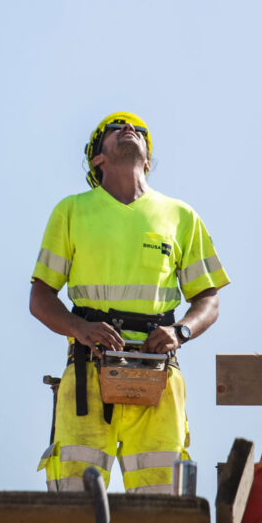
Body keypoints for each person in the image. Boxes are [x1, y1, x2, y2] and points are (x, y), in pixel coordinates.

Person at [30, 111, 229, 493]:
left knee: (162, 506)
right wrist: (80, 328)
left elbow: (209, 298)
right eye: (115, 128)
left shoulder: (181, 216)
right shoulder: (71, 211)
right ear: (97, 159)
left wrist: (180, 331)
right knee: (74, 507)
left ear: (147, 161)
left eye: (138, 130)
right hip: (88, 374)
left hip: (158, 375)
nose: (129, 129)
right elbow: (40, 297)